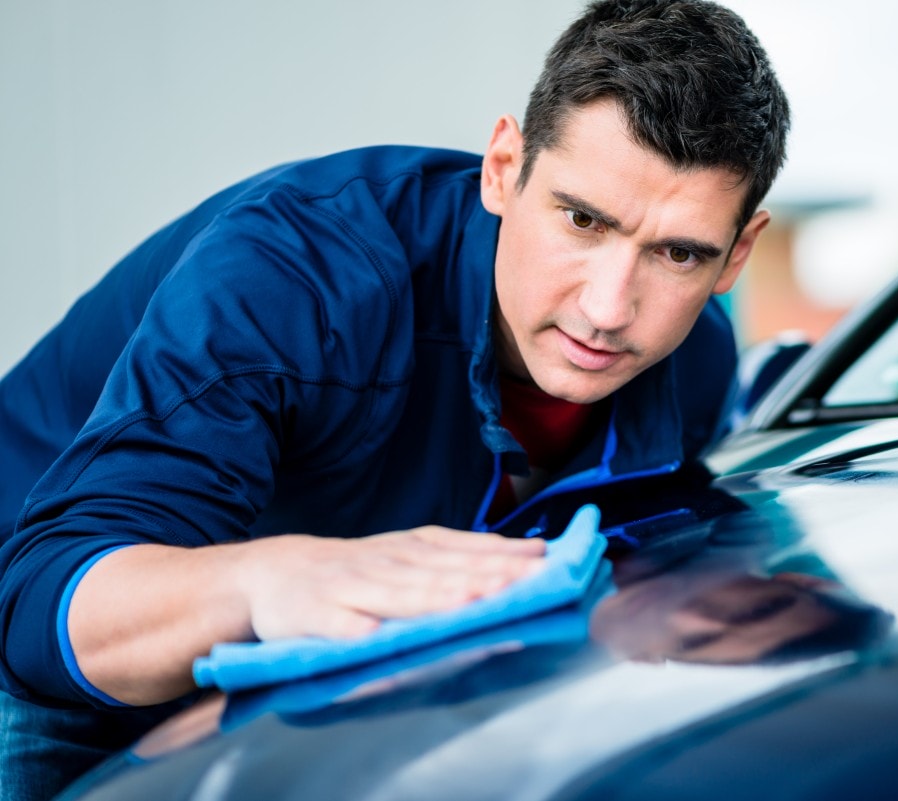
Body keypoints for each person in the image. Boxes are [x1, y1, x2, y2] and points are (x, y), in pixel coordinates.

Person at [0, 0, 790, 797]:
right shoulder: (298, 281)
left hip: (334, 676)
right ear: (503, 168)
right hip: (56, 661)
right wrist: (266, 582)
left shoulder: (693, 363)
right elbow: (40, 606)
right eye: (582, 219)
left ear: (737, 254)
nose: (610, 308)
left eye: (678, 253)